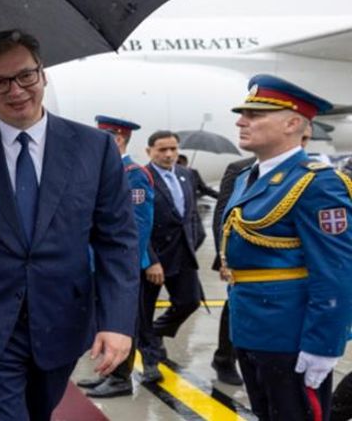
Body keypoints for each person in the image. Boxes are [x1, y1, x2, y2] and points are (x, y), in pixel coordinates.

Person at [0, 29, 139, 420]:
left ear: (43, 74)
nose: (16, 90)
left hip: (61, 322)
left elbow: (117, 241)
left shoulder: (94, 148)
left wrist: (118, 322)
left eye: (25, 75)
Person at [222, 74, 352, 420]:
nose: (241, 122)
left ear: (293, 124)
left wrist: (324, 345)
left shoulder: (317, 183)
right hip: (250, 329)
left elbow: (335, 271)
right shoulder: (246, 178)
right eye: (242, 114)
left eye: (254, 115)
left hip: (291, 336)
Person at [77, 115, 154, 398]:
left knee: (122, 320)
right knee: (106, 319)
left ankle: (121, 378)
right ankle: (110, 373)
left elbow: (139, 226)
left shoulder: (133, 174)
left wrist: (124, 266)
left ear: (118, 139)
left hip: (121, 266)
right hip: (100, 261)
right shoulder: (106, 171)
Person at [139, 130, 203, 383]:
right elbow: (136, 223)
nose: (169, 154)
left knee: (190, 301)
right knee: (143, 311)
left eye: (173, 149)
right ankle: (150, 361)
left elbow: (191, 215)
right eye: (162, 150)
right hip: (152, 258)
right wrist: (150, 260)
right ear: (149, 151)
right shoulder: (141, 177)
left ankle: (156, 332)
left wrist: (193, 241)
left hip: (182, 253)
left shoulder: (187, 175)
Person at [209, 156, 255, 386]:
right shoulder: (241, 169)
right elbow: (222, 214)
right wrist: (223, 255)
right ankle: (224, 359)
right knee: (235, 305)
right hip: (243, 255)